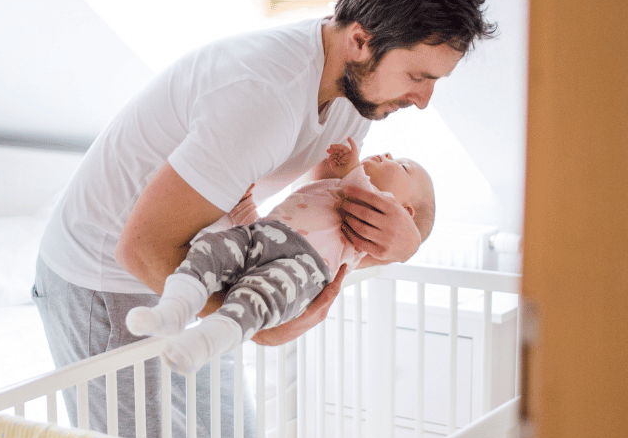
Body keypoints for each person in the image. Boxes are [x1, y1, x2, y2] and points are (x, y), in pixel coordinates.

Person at [33, 0, 496, 438]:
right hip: (105, 277)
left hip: (198, 264)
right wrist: (261, 326)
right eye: (418, 77)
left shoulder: (355, 92)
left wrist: (400, 244)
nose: (424, 100)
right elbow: (139, 249)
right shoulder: (263, 96)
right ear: (361, 41)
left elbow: (324, 208)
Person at [125, 138, 435, 375]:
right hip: (262, 235)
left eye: (402, 166)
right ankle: (173, 309)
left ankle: (203, 343)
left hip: (301, 268)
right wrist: (244, 204)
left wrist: (354, 166)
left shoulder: (371, 233)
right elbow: (276, 219)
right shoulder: (329, 188)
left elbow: (366, 193)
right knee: (209, 252)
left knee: (254, 301)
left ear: (404, 213)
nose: (388, 155)